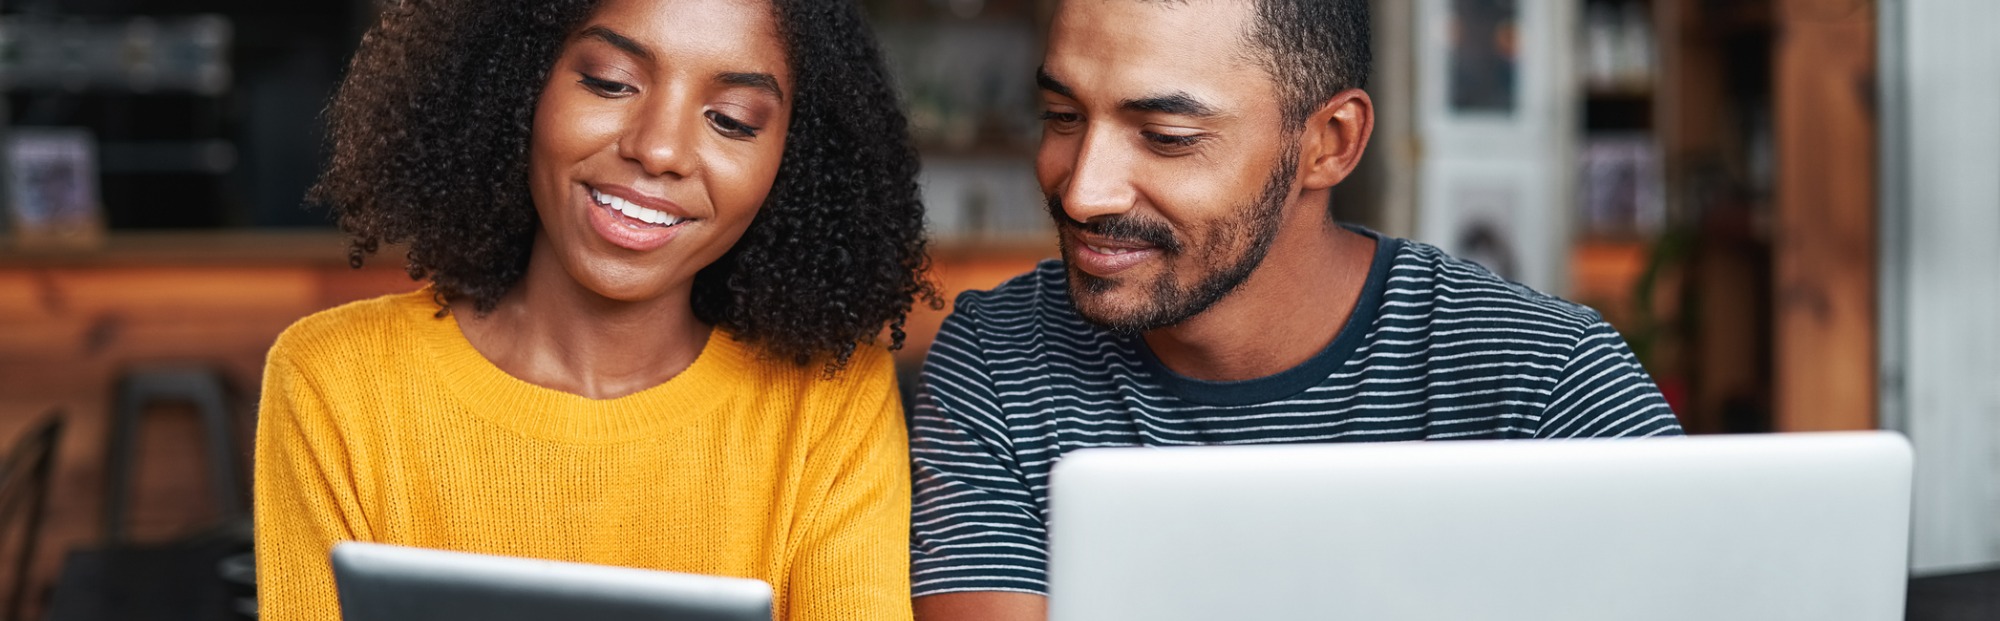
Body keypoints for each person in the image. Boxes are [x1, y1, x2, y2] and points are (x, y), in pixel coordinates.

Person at [907, 1, 1682, 619]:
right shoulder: (999, 357)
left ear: (1330, 143)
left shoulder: (1546, 378)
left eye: (1167, 137)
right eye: (1063, 117)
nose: (1083, 189)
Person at [252, 0, 936, 619]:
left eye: (731, 120)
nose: (658, 149)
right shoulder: (334, 381)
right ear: (521, 83)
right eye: (610, 81)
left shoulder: (827, 403)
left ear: (794, 160)